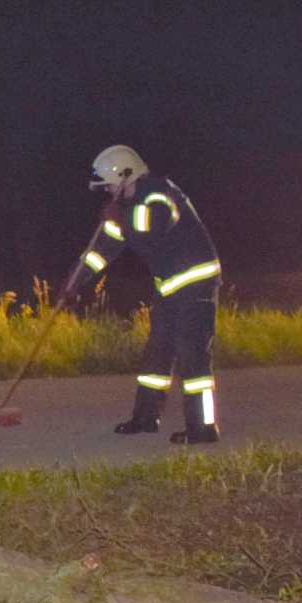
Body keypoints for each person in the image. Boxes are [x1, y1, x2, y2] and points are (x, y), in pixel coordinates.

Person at [72, 144, 222, 444]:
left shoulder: (160, 193)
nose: (107, 191)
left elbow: (152, 227)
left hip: (197, 283)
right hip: (170, 287)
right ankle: (145, 418)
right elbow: (102, 251)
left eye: (110, 184)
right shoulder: (126, 209)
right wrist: (76, 282)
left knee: (192, 357)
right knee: (157, 352)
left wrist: (120, 218)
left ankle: (203, 428)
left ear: (125, 176)